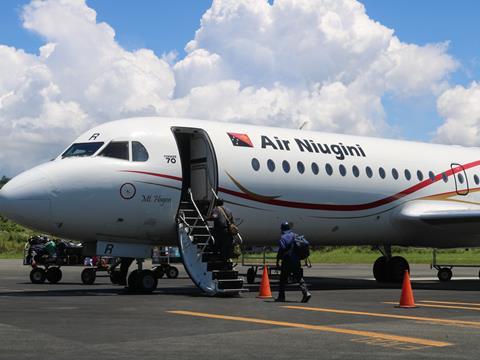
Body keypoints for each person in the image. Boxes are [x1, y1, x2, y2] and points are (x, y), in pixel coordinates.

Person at [275, 221, 311, 303]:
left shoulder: (284, 237)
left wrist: (278, 260)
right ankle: (306, 292)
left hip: (287, 261)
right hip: (296, 260)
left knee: (282, 279)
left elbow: (282, 249)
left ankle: (281, 297)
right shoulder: (295, 235)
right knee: (299, 277)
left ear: (282, 229)